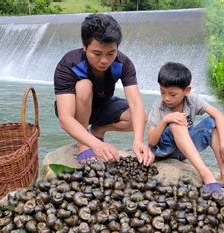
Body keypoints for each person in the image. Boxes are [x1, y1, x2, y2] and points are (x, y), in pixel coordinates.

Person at [53, 14, 154, 166]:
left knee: (141, 116)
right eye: (97, 53)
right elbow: (65, 118)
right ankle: (83, 144)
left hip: (103, 105)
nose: (104, 60)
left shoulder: (123, 63)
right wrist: (96, 145)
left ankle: (98, 130)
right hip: (75, 108)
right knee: (84, 86)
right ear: (84, 46)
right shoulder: (69, 64)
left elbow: (136, 104)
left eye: (111, 53)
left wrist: (138, 140)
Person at [147, 62, 224, 193]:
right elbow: (151, 142)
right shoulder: (159, 106)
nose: (166, 98)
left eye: (172, 94)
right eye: (162, 92)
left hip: (184, 150)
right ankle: (206, 174)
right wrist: (165, 120)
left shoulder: (192, 100)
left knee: (211, 122)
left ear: (186, 91)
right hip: (164, 150)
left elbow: (219, 116)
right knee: (177, 122)